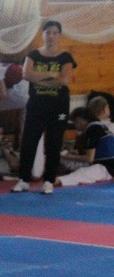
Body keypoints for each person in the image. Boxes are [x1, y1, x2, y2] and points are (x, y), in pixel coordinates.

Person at [11, 20, 77, 195]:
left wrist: (38, 79)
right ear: (43, 34)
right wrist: (49, 74)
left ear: (59, 35)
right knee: (29, 141)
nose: (51, 36)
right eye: (48, 32)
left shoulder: (65, 57)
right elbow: (26, 74)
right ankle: (23, 179)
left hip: (58, 105)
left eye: (55, 33)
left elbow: (63, 80)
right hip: (37, 104)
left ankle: (49, 180)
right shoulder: (33, 54)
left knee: (54, 142)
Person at [55, 97, 114, 187]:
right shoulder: (100, 126)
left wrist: (66, 156)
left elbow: (89, 159)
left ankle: (58, 180)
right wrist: (73, 154)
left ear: (80, 120)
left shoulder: (93, 128)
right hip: (107, 167)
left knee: (83, 172)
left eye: (75, 122)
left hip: (106, 168)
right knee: (75, 165)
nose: (75, 126)